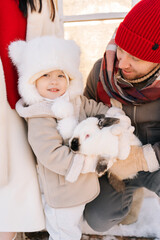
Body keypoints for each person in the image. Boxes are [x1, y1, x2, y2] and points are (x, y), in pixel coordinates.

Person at [9, 34, 159, 240]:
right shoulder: (39, 115)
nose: (54, 81)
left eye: (61, 75)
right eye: (45, 75)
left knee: (73, 228)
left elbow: (96, 107)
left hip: (84, 186)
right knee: (64, 232)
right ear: (31, 81)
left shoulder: (74, 101)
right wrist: (89, 163)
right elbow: (50, 153)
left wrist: (115, 116)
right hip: (64, 192)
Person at [83, 0, 160, 232]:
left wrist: (142, 159)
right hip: (115, 164)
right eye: (122, 49)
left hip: (155, 160)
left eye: (135, 58)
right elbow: (84, 114)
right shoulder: (101, 71)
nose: (122, 62)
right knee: (98, 218)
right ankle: (129, 194)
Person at [0, 0, 63, 239]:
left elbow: (53, 42)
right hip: (10, 100)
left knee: (17, 188)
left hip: (26, 100)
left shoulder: (45, 2)